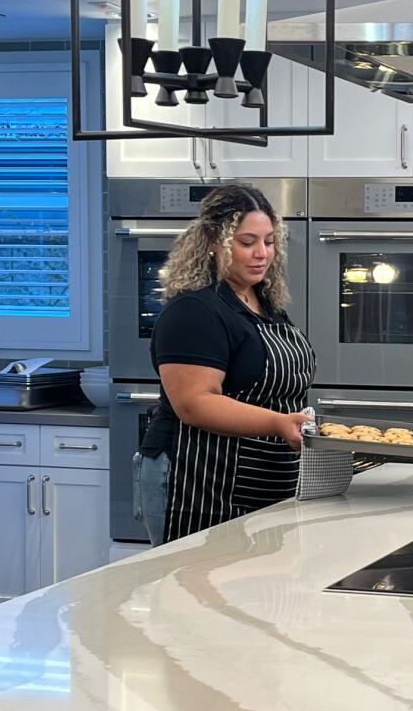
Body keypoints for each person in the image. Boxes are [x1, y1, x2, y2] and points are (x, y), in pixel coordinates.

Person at [133, 184, 315, 545]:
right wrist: (279, 423)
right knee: (197, 594)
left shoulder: (265, 304)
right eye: (247, 242)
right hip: (198, 483)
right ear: (215, 241)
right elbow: (194, 403)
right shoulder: (194, 311)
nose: (261, 253)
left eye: (269, 241)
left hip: (265, 481)